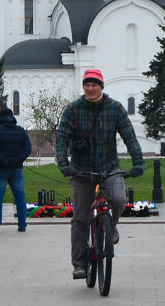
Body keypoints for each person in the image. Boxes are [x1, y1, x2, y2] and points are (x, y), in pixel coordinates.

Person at [56, 69, 144, 280]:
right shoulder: (74, 109)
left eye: (94, 85)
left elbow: (129, 136)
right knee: (81, 218)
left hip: (109, 166)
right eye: (87, 84)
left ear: (101, 87)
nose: (90, 88)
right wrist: (63, 163)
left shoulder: (114, 108)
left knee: (119, 198)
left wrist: (138, 161)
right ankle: (79, 263)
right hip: (82, 169)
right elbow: (62, 138)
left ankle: (111, 226)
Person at [0, 106, 32, 232]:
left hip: (0, 168)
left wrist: (3, 161)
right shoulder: (21, 131)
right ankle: (22, 224)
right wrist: (17, 161)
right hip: (17, 169)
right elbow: (27, 149)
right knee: (20, 197)